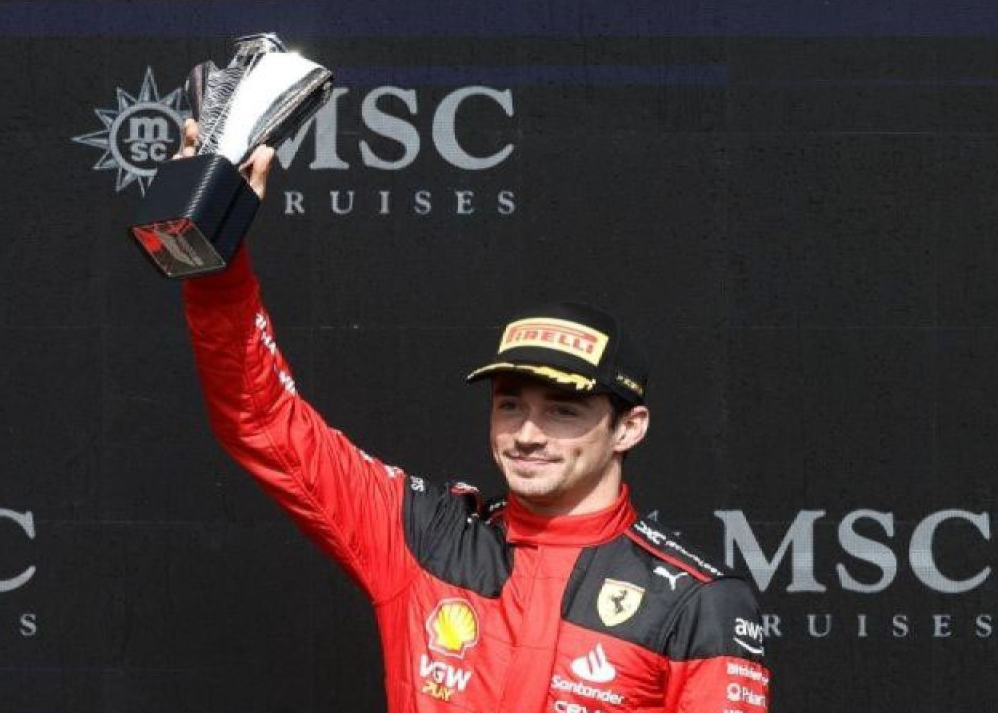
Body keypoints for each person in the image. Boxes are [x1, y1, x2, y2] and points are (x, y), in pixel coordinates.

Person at [178, 122, 770, 712]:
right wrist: (216, 265)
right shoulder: (423, 535)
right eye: (510, 404)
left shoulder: (698, 602)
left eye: (563, 410)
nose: (528, 434)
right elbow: (262, 420)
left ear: (629, 427)